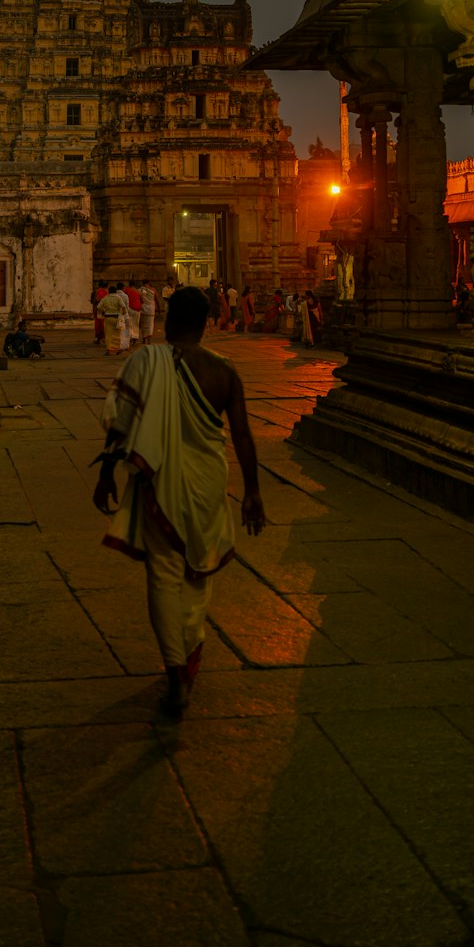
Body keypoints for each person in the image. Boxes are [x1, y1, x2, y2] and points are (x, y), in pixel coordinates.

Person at [93, 286, 266, 717]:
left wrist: (105, 473)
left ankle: (176, 672)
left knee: (165, 574)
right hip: (209, 482)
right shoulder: (225, 372)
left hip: (162, 478)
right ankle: (189, 649)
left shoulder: (145, 361)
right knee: (197, 569)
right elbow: (243, 435)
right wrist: (253, 494)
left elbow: (122, 419)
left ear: (168, 321)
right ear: (207, 324)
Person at [97, 282, 129, 355]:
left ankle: (109, 350)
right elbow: (123, 307)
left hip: (108, 318)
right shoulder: (118, 298)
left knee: (108, 335)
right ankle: (117, 349)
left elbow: (99, 307)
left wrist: (103, 312)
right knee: (117, 334)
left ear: (109, 291)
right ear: (115, 291)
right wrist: (123, 313)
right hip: (116, 318)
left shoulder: (106, 298)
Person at [139, 279, 159, 344]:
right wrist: (159, 308)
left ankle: (144, 339)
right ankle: (149, 341)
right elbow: (157, 299)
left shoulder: (140, 290)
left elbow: (140, 300)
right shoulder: (153, 290)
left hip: (143, 309)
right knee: (150, 325)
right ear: (149, 283)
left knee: (143, 324)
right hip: (151, 310)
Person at [124, 281, 142, 347]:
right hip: (137, 310)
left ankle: (130, 337)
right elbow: (142, 300)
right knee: (136, 324)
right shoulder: (138, 292)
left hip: (130, 308)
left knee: (129, 324)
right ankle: (135, 338)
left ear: (129, 285)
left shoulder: (126, 290)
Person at [92, 280, 108, 347]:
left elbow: (94, 300)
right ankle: (103, 338)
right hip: (105, 310)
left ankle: (99, 339)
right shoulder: (107, 292)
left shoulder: (96, 291)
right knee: (103, 324)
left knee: (98, 324)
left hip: (98, 309)